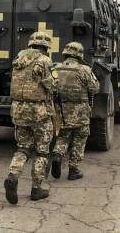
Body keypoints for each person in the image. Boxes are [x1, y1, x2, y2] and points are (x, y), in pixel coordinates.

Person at [4, 31, 58, 203]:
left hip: (18, 109)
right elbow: (52, 84)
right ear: (46, 46)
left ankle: (13, 175)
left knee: (22, 147)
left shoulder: (18, 59)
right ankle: (36, 189)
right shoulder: (45, 61)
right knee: (42, 151)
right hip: (39, 111)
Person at [50, 42, 99, 180]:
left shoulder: (54, 67)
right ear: (80, 55)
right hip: (80, 112)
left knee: (63, 136)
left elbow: (50, 86)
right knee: (79, 138)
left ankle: (57, 155)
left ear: (65, 53)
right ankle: (73, 170)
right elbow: (94, 88)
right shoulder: (84, 69)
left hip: (61, 111)